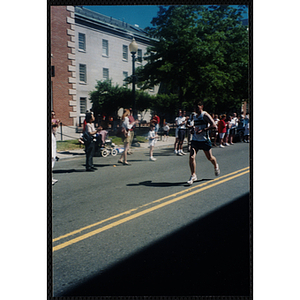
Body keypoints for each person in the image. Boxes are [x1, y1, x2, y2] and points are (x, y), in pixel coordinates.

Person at [187, 101, 220, 185]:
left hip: (204, 140)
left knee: (209, 158)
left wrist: (203, 130)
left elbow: (214, 125)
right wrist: (192, 129)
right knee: (191, 156)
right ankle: (193, 175)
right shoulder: (194, 116)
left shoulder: (205, 115)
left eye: (197, 108)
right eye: (195, 108)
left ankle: (216, 165)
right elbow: (195, 126)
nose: (196, 110)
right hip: (195, 139)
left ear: (201, 106)